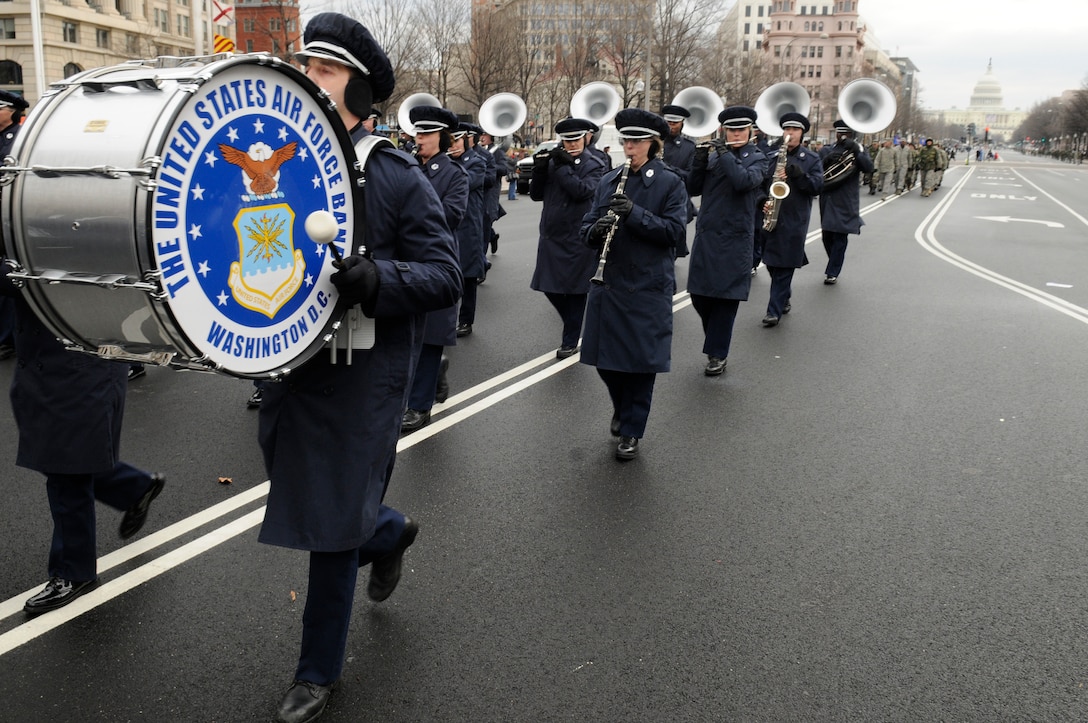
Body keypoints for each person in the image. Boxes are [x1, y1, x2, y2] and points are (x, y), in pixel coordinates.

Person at [263, 14, 461, 723]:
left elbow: (445, 275)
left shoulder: (394, 171)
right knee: (293, 478)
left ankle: (317, 672)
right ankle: (390, 529)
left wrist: (377, 277)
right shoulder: (283, 155)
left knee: (331, 521)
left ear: (359, 90)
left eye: (324, 69)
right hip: (292, 363)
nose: (307, 75)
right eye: (307, 63)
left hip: (366, 369)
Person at [1, 266, 166, 616]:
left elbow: (25, 277)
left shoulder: (62, 228)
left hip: (80, 359)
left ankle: (73, 572)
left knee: (66, 469)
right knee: (61, 458)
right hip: (48, 356)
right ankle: (133, 487)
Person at [579, 108, 687, 461]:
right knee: (605, 362)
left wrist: (635, 214)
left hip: (647, 284)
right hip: (609, 282)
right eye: (626, 140)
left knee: (640, 365)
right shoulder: (610, 180)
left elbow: (674, 233)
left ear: (653, 144)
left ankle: (632, 430)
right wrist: (595, 231)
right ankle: (622, 407)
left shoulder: (670, 182)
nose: (630, 147)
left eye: (637, 141)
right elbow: (586, 227)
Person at [686, 106, 767, 376]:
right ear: (724, 130)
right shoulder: (713, 157)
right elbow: (693, 188)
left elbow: (742, 181)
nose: (735, 133)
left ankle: (717, 353)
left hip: (735, 238)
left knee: (725, 299)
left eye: (740, 129)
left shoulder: (758, 158)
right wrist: (699, 159)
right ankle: (715, 342)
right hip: (708, 235)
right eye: (730, 129)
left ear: (750, 132)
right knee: (699, 295)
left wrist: (723, 154)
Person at [402, 105, 468, 433]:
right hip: (405, 260)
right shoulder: (407, 167)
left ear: (441, 137)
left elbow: (452, 215)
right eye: (417, 132)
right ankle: (432, 376)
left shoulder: (455, 174)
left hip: (436, 261)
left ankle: (419, 407)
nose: (420, 138)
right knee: (407, 334)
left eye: (426, 133)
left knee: (429, 336)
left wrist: (411, 207)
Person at [529, 116, 606, 359]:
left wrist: (563, 168)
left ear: (586, 137)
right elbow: (535, 195)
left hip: (576, 236)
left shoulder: (594, 164)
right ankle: (572, 325)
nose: (571, 144)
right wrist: (540, 170)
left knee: (574, 291)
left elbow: (581, 191)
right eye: (567, 140)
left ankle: (570, 339)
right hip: (552, 236)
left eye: (576, 139)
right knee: (549, 287)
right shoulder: (555, 161)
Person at [759, 112, 824, 327]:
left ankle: (773, 311)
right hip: (771, 214)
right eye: (787, 129)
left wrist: (799, 175)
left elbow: (817, 187)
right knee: (770, 262)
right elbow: (760, 185)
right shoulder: (771, 156)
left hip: (795, 218)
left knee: (784, 265)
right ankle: (784, 295)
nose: (790, 133)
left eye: (794, 130)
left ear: (802, 133)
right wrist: (762, 201)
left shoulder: (812, 159)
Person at [818, 120, 874, 285]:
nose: (843, 137)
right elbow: (817, 171)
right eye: (840, 133)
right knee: (826, 236)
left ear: (852, 135)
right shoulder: (827, 149)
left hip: (846, 198)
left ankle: (833, 271)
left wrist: (857, 150)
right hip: (828, 198)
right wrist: (827, 159)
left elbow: (868, 168)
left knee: (840, 235)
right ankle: (835, 261)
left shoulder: (858, 150)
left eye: (847, 134)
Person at [0, 90, 29, 361]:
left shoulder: (18, 139)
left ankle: (7, 337)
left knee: (10, 273)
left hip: (9, 216)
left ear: (12, 111)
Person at [451, 122, 486, 337]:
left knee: (468, 278)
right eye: (450, 141)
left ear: (464, 139)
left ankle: (466, 320)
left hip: (469, 226)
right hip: (449, 226)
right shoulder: (445, 162)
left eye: (456, 140)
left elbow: (463, 183)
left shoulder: (476, 162)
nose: (453, 146)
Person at [660, 103, 696, 256]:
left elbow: (691, 177)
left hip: (677, 199)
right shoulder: (656, 143)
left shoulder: (689, 147)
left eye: (675, 123)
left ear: (682, 124)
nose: (671, 126)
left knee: (673, 245)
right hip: (656, 197)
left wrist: (667, 168)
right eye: (668, 122)